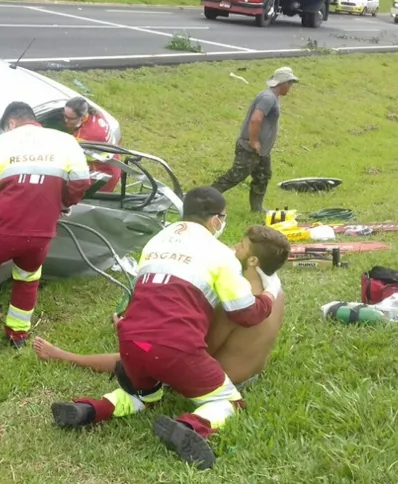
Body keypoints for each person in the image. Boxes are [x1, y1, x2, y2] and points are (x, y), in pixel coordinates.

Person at [49, 187, 282, 471]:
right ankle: (190, 426)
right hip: (175, 348)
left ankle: (91, 409)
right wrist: (269, 294)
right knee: (228, 402)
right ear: (215, 221)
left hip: (132, 342)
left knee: (142, 395)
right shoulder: (221, 255)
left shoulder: (157, 240)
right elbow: (245, 313)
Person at [34, 224, 291, 389]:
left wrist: (136, 330)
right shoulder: (274, 292)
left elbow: (198, 348)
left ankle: (64, 356)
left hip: (221, 379)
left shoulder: (235, 303)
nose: (233, 249)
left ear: (253, 259)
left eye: (241, 247)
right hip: (251, 373)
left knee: (145, 349)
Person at [0, 101, 93, 356]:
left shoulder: (1, 144)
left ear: (12, 123)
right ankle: (17, 333)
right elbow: (81, 183)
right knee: (28, 278)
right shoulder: (65, 142)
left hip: (2, 231)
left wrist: (4, 211)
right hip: (41, 234)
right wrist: (61, 204)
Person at [210, 67, 299, 213]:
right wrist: (253, 141)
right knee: (235, 176)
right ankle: (204, 198)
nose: (291, 87)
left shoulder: (273, 97)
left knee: (262, 176)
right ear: (282, 82)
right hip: (250, 148)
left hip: (262, 151)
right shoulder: (268, 98)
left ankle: (257, 209)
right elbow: (256, 119)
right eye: (290, 83)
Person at [63, 96, 122, 193]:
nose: (66, 120)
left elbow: (67, 157)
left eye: (70, 118)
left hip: (103, 175)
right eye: (64, 115)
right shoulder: (96, 114)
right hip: (113, 163)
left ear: (81, 117)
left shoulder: (85, 136)